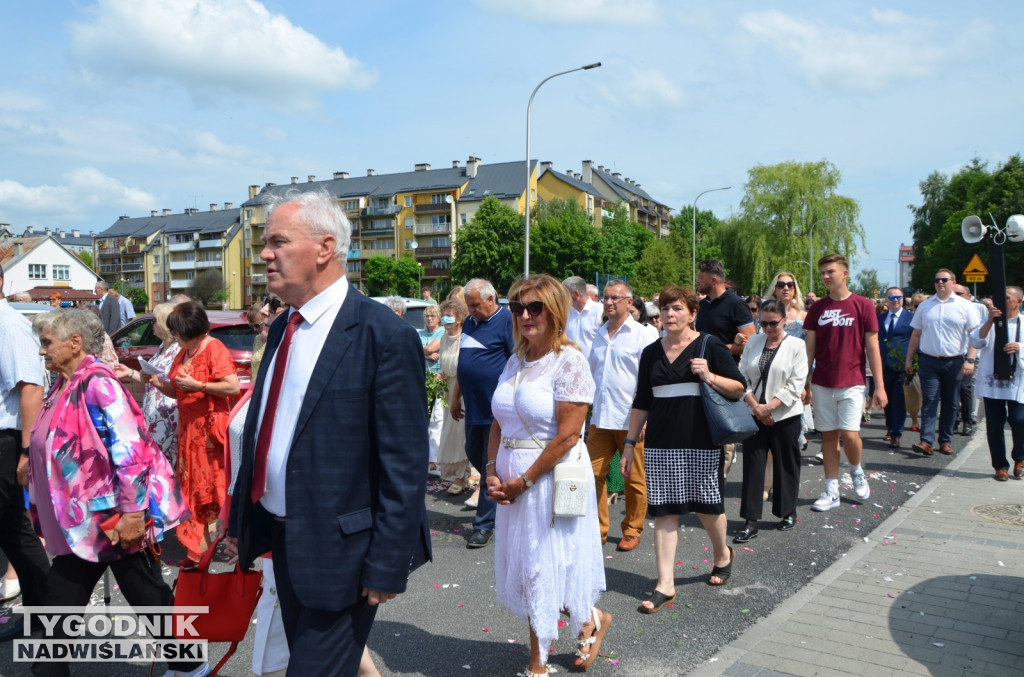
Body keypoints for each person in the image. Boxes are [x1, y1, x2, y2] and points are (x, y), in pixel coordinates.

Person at [227, 190, 431, 676]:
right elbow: (266, 430)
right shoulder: (283, 329)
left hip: (343, 555)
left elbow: (403, 463)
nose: (265, 254)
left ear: (324, 248)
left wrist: (387, 561)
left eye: (278, 241)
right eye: (264, 242)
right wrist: (240, 516)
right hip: (284, 538)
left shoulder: (382, 335)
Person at [27, 309, 199, 677]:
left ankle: (191, 665)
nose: (41, 351)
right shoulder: (64, 382)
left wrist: (135, 514)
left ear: (75, 343)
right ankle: (190, 664)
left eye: (47, 343)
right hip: (89, 518)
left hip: (109, 518)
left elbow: (131, 449)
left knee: (118, 597)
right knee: (144, 594)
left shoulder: (97, 382)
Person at [487, 274, 610, 674]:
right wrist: (491, 471)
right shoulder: (516, 359)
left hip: (545, 482)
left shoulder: (569, 360)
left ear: (555, 310)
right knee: (529, 569)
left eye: (534, 306)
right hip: (511, 484)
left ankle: (537, 664)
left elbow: (568, 435)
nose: (524, 315)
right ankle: (591, 618)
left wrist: (523, 482)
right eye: (517, 307)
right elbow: (497, 421)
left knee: (543, 569)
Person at [622, 285, 747, 613]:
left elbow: (738, 388)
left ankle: (723, 554)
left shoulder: (710, 345)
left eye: (676, 308)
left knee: (707, 506)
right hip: (661, 443)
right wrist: (629, 443)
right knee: (664, 510)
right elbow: (642, 400)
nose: (669, 314)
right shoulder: (651, 352)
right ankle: (665, 584)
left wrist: (709, 375)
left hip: (701, 440)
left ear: (693, 313)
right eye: (664, 309)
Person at [147, 301, 239, 562]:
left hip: (209, 436)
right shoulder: (184, 351)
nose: (174, 337)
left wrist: (198, 384)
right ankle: (203, 549)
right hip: (189, 434)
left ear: (191, 329)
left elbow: (231, 387)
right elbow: (178, 391)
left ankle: (229, 545)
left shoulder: (213, 348)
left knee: (213, 491)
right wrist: (154, 380)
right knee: (194, 493)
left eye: (177, 332)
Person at [803, 254, 886, 512]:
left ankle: (856, 470)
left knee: (850, 434)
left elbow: (873, 348)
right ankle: (831, 489)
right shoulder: (817, 309)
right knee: (829, 436)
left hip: (852, 380)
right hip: (823, 381)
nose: (826, 277)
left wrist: (879, 387)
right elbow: (809, 350)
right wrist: (805, 383)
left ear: (844, 273)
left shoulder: (863, 305)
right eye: (823, 273)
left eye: (830, 271)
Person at [0, 263, 50, 643]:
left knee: (15, 530)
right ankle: (40, 613)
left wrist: (23, 451)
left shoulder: (10, 325)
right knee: (11, 531)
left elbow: (31, 387)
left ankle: (46, 614)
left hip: (6, 438)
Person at [587, 279, 656, 551]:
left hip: (631, 419)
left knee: (634, 478)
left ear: (629, 302)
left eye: (615, 298)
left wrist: (646, 418)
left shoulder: (643, 334)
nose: (609, 302)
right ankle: (599, 527)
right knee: (592, 475)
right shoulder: (599, 333)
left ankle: (632, 528)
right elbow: (592, 375)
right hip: (601, 418)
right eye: (605, 297)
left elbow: (651, 380)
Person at [735, 299, 808, 542]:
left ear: (784, 321)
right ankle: (750, 520)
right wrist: (756, 407)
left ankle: (787, 511)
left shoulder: (796, 345)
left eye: (772, 323)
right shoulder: (754, 341)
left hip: (785, 415)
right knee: (753, 465)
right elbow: (742, 375)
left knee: (786, 463)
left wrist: (770, 408)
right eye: (762, 323)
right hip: (755, 412)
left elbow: (796, 384)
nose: (767, 328)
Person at [450, 278, 513, 548]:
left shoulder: (507, 321)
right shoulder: (471, 323)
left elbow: (516, 362)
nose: (472, 310)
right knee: (475, 452)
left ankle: (484, 524)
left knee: (489, 464)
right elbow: (465, 363)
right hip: (472, 404)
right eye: (469, 305)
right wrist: (456, 396)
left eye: (475, 305)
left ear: (491, 299)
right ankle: (501, 492)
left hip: (494, 408)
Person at [906, 270, 982, 456]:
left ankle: (945, 440)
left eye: (944, 280)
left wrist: (970, 359)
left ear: (953, 282)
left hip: (955, 361)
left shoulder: (965, 306)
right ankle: (926, 441)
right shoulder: (925, 306)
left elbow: (975, 335)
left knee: (950, 402)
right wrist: (909, 359)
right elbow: (916, 334)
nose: (940, 282)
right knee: (930, 400)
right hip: (929, 361)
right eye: (937, 280)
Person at [695, 259, 755, 479]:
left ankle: (720, 478)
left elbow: (752, 341)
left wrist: (720, 349)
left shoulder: (735, 304)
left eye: (700, 277)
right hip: (702, 371)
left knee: (724, 424)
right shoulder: (704, 305)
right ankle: (705, 476)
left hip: (726, 373)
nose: (697, 281)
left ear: (712, 279)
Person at [114, 302, 182, 466]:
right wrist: (130, 373)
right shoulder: (162, 347)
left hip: (168, 415)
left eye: (155, 321)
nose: (152, 324)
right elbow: (151, 380)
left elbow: (173, 383)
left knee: (166, 463)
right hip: (155, 414)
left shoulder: (178, 350)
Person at [969, 286, 1024, 481]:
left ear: (1019, 301)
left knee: (1019, 420)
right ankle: (1000, 466)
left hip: (1017, 380)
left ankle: (1020, 458)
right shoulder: (989, 321)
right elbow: (976, 341)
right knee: (994, 424)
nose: (1002, 301)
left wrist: (1020, 347)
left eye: (1007, 298)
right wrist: (990, 320)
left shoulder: (1023, 322)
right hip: (993, 380)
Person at [436, 299, 472, 494]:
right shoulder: (443, 338)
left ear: (459, 317)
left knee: (461, 433)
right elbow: (444, 362)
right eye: (444, 315)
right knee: (449, 432)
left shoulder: (464, 338)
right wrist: (441, 373)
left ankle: (463, 475)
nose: (446, 319)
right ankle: (460, 474)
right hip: (448, 388)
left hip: (463, 389)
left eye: (450, 315)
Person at [878, 287, 913, 449]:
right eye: (891, 298)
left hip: (901, 365)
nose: (895, 300)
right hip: (883, 365)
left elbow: (916, 340)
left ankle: (896, 433)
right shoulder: (880, 318)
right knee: (886, 400)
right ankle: (889, 427)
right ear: (886, 300)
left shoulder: (911, 318)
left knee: (899, 400)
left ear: (903, 299)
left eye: (898, 297)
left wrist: (913, 361)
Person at [953, 284, 981, 435]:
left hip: (967, 356)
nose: (956, 295)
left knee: (965, 388)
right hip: (951, 356)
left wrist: (971, 359)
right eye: (954, 293)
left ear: (968, 295)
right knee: (952, 391)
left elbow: (976, 336)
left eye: (959, 293)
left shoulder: (972, 309)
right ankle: (954, 421)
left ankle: (967, 421)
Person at [421, 304, 446, 475]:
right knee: (424, 419)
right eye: (427, 316)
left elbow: (429, 347)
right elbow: (416, 349)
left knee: (437, 421)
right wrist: (427, 355)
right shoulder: (420, 334)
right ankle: (426, 457)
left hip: (438, 379)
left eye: (433, 315)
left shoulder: (442, 333)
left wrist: (425, 352)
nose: (430, 318)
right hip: (423, 378)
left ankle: (435, 460)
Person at [563, 276, 602, 359]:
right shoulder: (566, 313)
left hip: (592, 368)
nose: (562, 297)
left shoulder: (600, 311)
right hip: (571, 367)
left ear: (576, 294)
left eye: (564, 294)